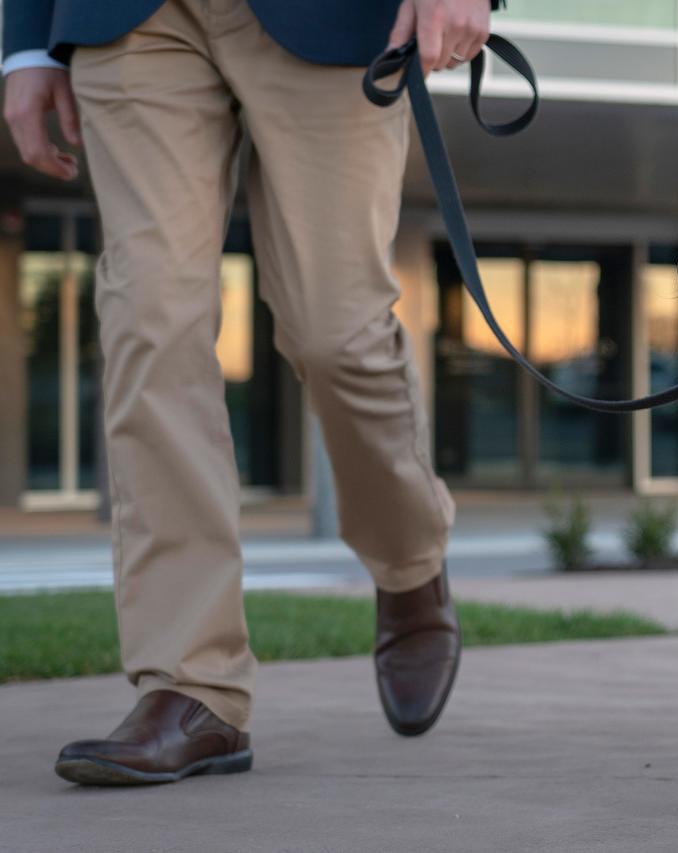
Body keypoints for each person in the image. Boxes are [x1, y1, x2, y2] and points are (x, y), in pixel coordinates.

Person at [2, 0, 500, 785]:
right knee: (149, 325)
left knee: (335, 332)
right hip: (130, 20)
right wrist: (24, 42)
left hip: (333, 19)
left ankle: (408, 561)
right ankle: (190, 685)